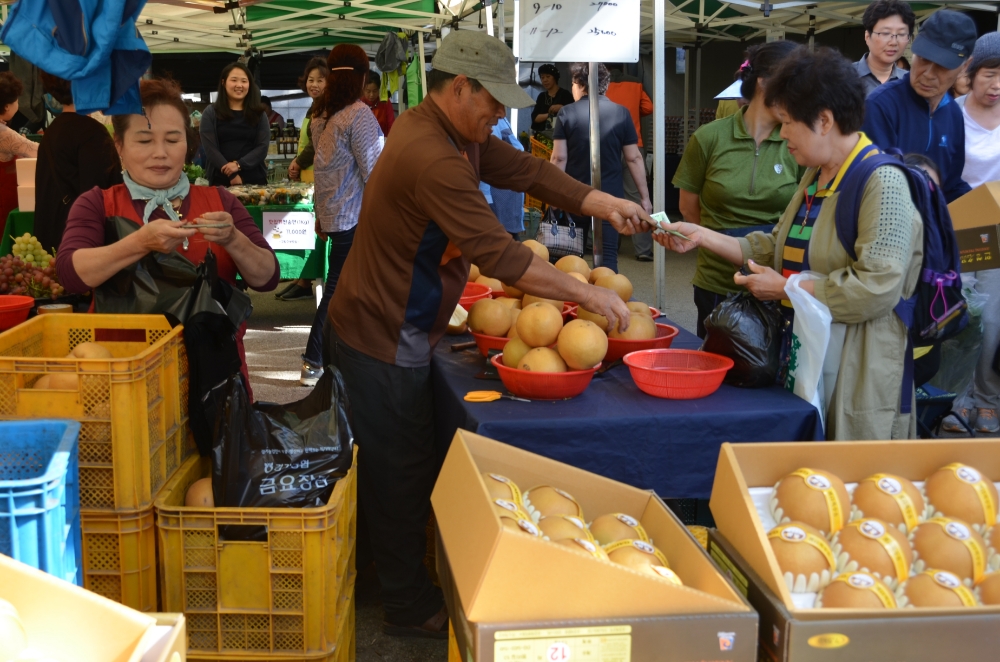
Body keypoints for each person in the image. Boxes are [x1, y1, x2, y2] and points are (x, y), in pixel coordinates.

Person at [324, 30, 650, 638]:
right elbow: (499, 255)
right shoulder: (432, 154)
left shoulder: (456, 133)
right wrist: (587, 293)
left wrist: (601, 203)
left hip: (391, 322)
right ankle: (404, 603)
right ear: (460, 87)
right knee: (400, 468)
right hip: (383, 331)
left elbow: (527, 170)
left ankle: (374, 575)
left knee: (392, 461)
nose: (500, 112)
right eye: (493, 99)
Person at [657, 47, 923, 441]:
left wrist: (787, 289)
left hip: (859, 367)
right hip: (815, 356)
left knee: (848, 467)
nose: (782, 135)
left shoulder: (882, 184)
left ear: (824, 120)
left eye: (788, 123)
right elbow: (774, 246)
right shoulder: (817, 175)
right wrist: (701, 235)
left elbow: (877, 287)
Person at [54, 78, 279, 390]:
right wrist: (139, 242)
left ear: (188, 144)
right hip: (123, 382)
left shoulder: (221, 201)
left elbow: (267, 277)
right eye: (144, 141)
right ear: (119, 146)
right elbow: (70, 274)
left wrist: (233, 240)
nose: (160, 153)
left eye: (173, 140)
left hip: (214, 385)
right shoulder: (97, 204)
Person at [672, 42, 804, 338]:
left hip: (775, 280)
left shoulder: (797, 141)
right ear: (764, 82)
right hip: (716, 280)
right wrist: (720, 245)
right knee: (715, 358)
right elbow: (688, 208)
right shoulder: (709, 137)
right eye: (794, 84)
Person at [298, 45, 383, 387]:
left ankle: (342, 357)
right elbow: (376, 173)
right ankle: (313, 359)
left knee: (347, 288)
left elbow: (323, 171)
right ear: (361, 77)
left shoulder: (320, 115)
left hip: (335, 215)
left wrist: (321, 214)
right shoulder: (358, 115)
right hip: (355, 216)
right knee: (338, 289)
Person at [944, 32, 1000, 434]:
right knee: (960, 314)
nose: (996, 85)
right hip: (959, 225)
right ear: (972, 72)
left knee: (994, 319)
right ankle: (955, 399)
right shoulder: (952, 113)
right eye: (990, 75)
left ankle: (987, 399)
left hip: (998, 228)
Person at [862, 9, 977, 203]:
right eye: (923, 58)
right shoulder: (881, 106)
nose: (928, 74)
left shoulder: (954, 113)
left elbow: (951, 185)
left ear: (965, 66)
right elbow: (874, 185)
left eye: (942, 65)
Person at [550, 63, 651, 273]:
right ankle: (607, 291)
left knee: (571, 259)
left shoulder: (567, 113)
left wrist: (553, 194)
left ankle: (575, 293)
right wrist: (645, 198)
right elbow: (634, 158)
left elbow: (559, 158)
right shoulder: (621, 113)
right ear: (605, 85)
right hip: (610, 197)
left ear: (580, 84)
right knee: (608, 257)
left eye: (573, 84)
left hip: (574, 195)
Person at [34, 72, 122, 253]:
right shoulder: (92, 133)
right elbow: (100, 194)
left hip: (56, 237)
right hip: (82, 243)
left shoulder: (52, 131)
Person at [278, 57, 329, 303]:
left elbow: (316, 144)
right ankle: (303, 279)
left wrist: (298, 162)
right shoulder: (314, 106)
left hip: (316, 174)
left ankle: (306, 280)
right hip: (307, 174)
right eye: (311, 79)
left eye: (320, 80)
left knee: (314, 228)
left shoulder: (326, 108)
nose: (314, 84)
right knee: (307, 226)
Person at [606, 64, 655, 261]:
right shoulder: (636, 83)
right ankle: (643, 250)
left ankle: (609, 244)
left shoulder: (601, 84)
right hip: (634, 145)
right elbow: (649, 107)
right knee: (636, 196)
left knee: (608, 195)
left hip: (607, 146)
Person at [199, 63, 270, 187]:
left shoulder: (259, 114)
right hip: (220, 181)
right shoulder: (210, 113)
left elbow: (262, 147)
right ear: (223, 82)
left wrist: (238, 165)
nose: (239, 85)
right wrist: (231, 174)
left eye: (244, 81)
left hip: (255, 181)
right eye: (234, 80)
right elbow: (210, 149)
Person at [0, 71, 38, 237]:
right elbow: (36, 151)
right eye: (16, 100)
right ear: (7, 106)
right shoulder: (4, 133)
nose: (18, 103)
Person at [479, 115, 526, 239]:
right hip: (498, 197)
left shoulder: (500, 120)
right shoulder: (490, 122)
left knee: (507, 240)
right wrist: (486, 198)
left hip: (507, 197)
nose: (501, 111)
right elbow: (487, 162)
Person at [855, 0, 913, 96]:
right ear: (867, 36)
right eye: (885, 33)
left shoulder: (911, 83)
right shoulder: (844, 78)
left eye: (901, 34)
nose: (893, 42)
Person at [530, 64, 573, 133]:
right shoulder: (541, 96)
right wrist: (550, 115)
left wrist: (562, 108)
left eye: (548, 76)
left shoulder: (565, 94)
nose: (545, 80)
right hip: (542, 135)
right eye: (542, 77)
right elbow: (535, 118)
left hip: (561, 134)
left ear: (555, 78)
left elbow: (573, 113)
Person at [362, 71, 395, 137]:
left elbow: (391, 125)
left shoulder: (385, 101)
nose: (371, 95)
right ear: (363, 89)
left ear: (379, 89)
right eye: (368, 91)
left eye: (375, 91)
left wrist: (390, 140)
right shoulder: (358, 103)